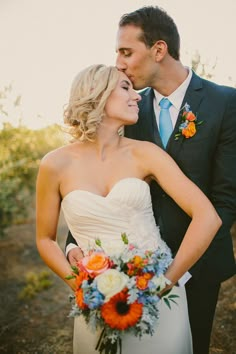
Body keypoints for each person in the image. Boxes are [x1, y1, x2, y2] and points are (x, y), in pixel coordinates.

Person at [66, 6, 236, 354]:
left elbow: (226, 197)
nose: (118, 63)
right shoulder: (126, 105)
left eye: (126, 52)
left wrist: (176, 270)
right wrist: (74, 242)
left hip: (197, 266)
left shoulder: (224, 102)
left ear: (159, 50)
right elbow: (96, 175)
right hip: (120, 269)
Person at [36, 64, 222, 354]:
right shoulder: (54, 165)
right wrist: (83, 288)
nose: (137, 96)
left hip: (158, 299)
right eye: (125, 88)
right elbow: (45, 239)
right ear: (96, 94)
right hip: (96, 303)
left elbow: (207, 216)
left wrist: (166, 281)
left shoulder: (146, 153)